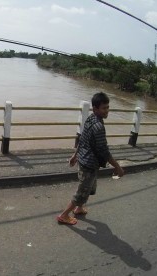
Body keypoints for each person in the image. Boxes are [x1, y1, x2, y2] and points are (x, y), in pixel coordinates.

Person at [57, 92, 124, 225]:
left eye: (108, 107)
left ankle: (79, 208)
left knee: (90, 187)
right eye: (104, 108)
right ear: (95, 109)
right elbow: (104, 152)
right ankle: (64, 215)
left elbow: (83, 138)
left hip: (84, 160)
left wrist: (75, 156)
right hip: (89, 164)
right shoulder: (98, 126)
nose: (107, 111)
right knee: (82, 192)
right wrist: (117, 167)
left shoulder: (90, 118)